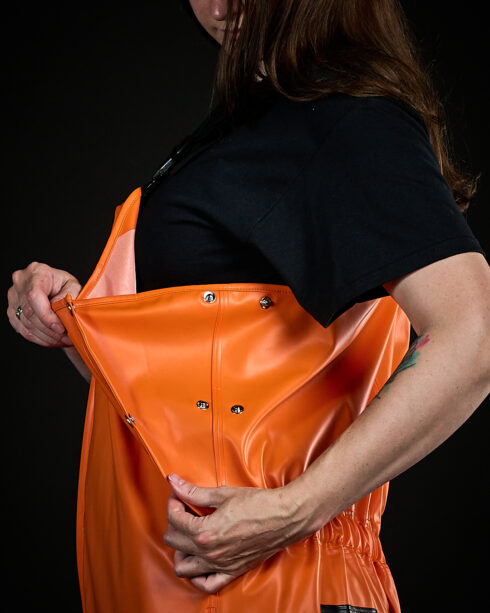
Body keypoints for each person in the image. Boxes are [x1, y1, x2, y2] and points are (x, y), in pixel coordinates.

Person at [7, 1, 490, 612]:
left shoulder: (350, 121)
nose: (218, 6)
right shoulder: (242, 130)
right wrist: (78, 326)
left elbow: (475, 334)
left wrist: (295, 510)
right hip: (166, 587)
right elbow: (192, 410)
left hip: (280, 587)